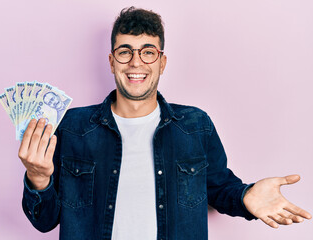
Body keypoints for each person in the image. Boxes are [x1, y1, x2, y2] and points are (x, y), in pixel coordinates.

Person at [18, 7, 311, 240]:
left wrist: (247, 195)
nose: (136, 62)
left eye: (148, 52)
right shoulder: (71, 127)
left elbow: (220, 189)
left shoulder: (196, 126)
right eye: (125, 52)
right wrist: (38, 179)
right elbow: (45, 222)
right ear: (111, 61)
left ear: (162, 62)